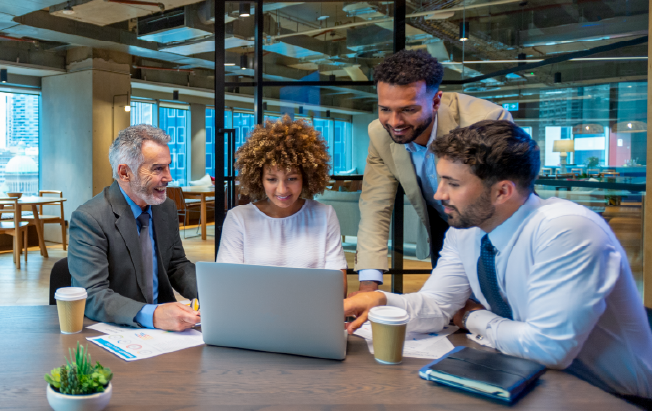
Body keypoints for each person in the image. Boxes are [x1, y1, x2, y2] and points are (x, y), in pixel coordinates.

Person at [345, 120, 652, 400]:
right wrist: (381, 301)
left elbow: (549, 348)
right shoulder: (466, 230)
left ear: (502, 191)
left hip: (612, 396)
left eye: (452, 183)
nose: (439, 195)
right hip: (528, 381)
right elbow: (439, 306)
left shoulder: (567, 230)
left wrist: (470, 318)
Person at [355, 49, 513, 294]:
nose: (394, 122)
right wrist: (368, 286)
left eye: (408, 110)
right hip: (442, 227)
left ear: (436, 101)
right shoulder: (379, 133)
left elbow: (504, 204)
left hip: (493, 229)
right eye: (385, 109)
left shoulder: (486, 121)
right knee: (447, 313)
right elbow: (375, 207)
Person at [69, 124, 200, 331]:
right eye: (158, 168)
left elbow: (176, 265)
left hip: (169, 332)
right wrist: (153, 315)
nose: (169, 177)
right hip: (117, 329)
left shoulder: (165, 207)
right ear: (124, 173)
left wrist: (213, 294)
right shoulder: (90, 218)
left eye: (168, 166)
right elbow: (92, 294)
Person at [217, 115, 348, 294]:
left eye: (292, 178)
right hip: (254, 316)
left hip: (311, 315)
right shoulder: (239, 218)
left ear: (306, 177)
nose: (282, 189)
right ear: (259, 179)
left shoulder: (325, 215)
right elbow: (227, 285)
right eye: (272, 179)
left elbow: (337, 288)